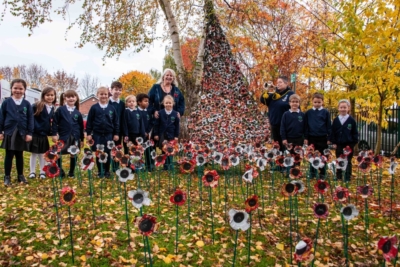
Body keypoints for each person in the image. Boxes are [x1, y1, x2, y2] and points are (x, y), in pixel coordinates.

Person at [0, 79, 33, 186]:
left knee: (19, 154)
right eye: (15, 88)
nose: (18, 90)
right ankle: (7, 177)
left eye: (20, 88)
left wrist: (29, 133)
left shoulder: (27, 104)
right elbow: (1, 118)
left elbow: (30, 119)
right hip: (9, 132)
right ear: (11, 89)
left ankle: (20, 176)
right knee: (9, 155)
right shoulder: (6, 102)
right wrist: (0, 131)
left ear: (24, 90)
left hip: (22, 133)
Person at [86, 87, 119, 178]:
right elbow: (89, 121)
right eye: (101, 94)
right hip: (97, 135)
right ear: (98, 95)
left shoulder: (111, 108)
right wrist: (88, 133)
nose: (103, 96)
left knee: (107, 153)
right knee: (99, 153)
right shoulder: (94, 108)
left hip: (108, 135)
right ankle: (100, 171)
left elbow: (116, 122)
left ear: (108, 95)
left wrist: (116, 133)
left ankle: (107, 171)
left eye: (105, 94)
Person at [52, 90, 84, 178]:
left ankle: (71, 172)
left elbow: (81, 127)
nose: (71, 98)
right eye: (69, 97)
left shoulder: (78, 113)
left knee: (73, 154)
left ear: (76, 98)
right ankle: (60, 171)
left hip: (75, 137)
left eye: (73, 96)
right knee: (58, 153)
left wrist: (81, 139)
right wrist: (54, 133)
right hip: (63, 136)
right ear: (65, 98)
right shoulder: (60, 110)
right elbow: (55, 122)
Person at [28, 87, 57, 179]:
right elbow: (30, 118)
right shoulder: (37, 105)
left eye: (52, 95)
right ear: (43, 96)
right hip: (35, 133)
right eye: (47, 95)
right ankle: (32, 172)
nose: (50, 97)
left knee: (43, 154)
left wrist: (52, 132)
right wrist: (31, 131)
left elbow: (52, 121)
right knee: (34, 153)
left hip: (44, 135)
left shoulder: (53, 108)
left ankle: (42, 172)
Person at [260, 76, 294, 151]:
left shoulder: (290, 94)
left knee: (287, 147)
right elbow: (262, 100)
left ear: (286, 83)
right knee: (277, 148)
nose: (278, 84)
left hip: (286, 126)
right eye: (277, 82)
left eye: (280, 82)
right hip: (275, 126)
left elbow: (296, 108)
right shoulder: (273, 94)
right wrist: (267, 90)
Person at [329, 99, 359, 181]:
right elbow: (332, 132)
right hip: (339, 144)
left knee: (348, 161)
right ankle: (339, 176)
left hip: (348, 145)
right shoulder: (335, 120)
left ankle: (347, 177)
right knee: (339, 160)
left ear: (348, 108)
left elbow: (355, 133)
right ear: (338, 108)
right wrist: (334, 142)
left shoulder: (351, 121)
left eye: (344, 107)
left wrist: (352, 144)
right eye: (341, 107)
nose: (343, 109)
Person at [304, 92, 332, 179]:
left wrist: (329, 137)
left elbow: (328, 125)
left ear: (322, 102)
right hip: (312, 137)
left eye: (319, 102)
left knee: (323, 156)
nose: (317, 104)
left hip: (322, 137)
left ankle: (322, 173)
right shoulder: (308, 112)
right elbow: (306, 126)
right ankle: (312, 172)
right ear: (312, 102)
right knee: (312, 155)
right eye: (315, 102)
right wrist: (306, 137)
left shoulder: (325, 112)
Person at [154, 95, 180, 170]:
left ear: (173, 104)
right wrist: (156, 134)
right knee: (164, 150)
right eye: (166, 103)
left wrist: (176, 136)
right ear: (164, 104)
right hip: (162, 134)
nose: (168, 104)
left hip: (171, 135)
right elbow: (156, 124)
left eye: (170, 103)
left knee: (171, 150)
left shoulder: (175, 114)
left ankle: (170, 165)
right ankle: (165, 166)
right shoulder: (160, 113)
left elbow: (177, 126)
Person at [137, 93, 155, 171]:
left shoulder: (148, 112)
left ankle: (149, 166)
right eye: (145, 101)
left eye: (148, 101)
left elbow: (151, 122)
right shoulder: (136, 111)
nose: (147, 103)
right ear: (139, 102)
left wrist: (147, 131)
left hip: (147, 135)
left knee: (148, 150)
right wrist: (141, 131)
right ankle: (139, 166)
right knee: (138, 151)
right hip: (138, 135)